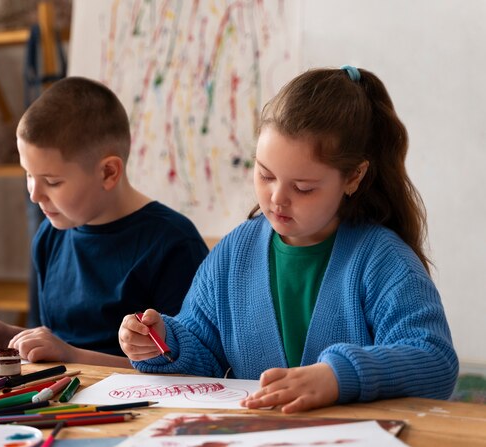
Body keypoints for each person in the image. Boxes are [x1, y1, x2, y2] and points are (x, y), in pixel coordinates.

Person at [118, 66, 458, 412]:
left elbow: (435, 362)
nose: (277, 198)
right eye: (265, 174)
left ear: (354, 177)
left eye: (303, 188)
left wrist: (339, 378)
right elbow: (205, 356)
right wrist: (165, 343)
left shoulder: (384, 261)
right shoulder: (234, 254)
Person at [0, 77, 209, 367]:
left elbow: (187, 368)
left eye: (52, 181)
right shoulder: (49, 236)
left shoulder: (173, 244)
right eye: (29, 175)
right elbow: (57, 341)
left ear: (108, 172)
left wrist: (72, 357)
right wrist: (5, 336)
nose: (34, 195)